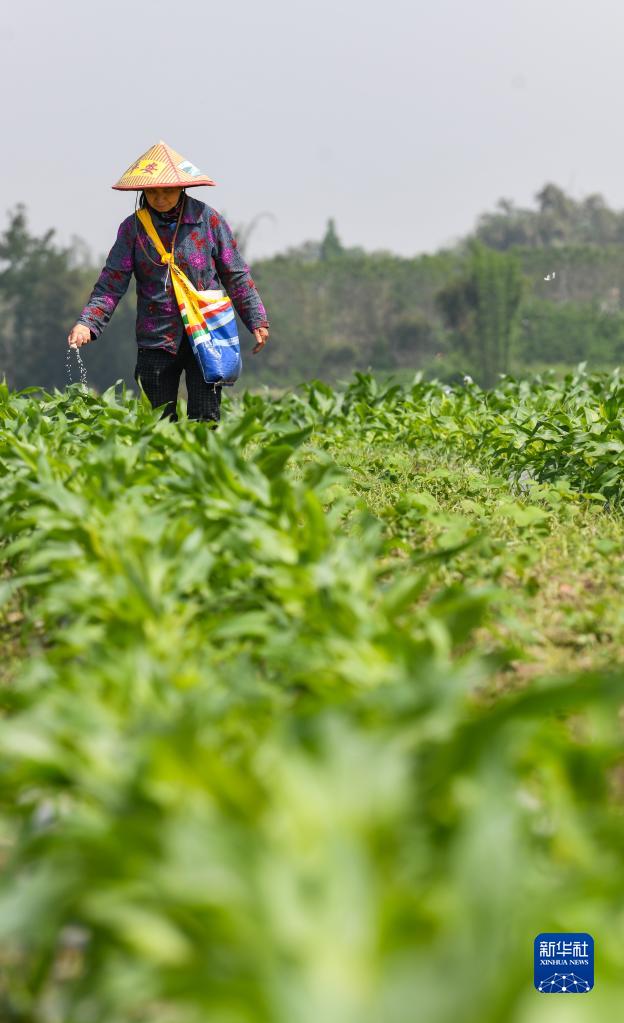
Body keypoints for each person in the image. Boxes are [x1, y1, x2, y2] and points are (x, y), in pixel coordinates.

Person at [67, 141, 270, 423]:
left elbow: (235, 273)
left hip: (206, 334)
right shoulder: (133, 229)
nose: (160, 198)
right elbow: (111, 283)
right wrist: (87, 323)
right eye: (153, 191)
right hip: (156, 337)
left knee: (205, 419)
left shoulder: (208, 221)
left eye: (168, 191)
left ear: (181, 188)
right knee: (157, 422)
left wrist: (256, 319)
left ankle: (201, 468)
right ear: (143, 191)